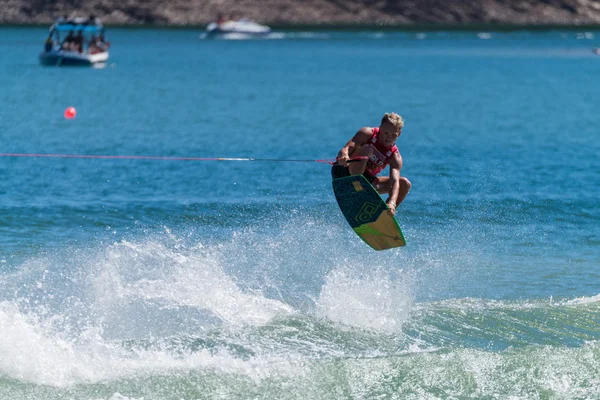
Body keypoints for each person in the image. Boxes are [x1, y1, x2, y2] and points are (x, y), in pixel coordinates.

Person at [332, 112, 411, 216]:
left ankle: (385, 214)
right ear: (381, 128)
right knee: (368, 149)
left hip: (365, 182)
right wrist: (344, 155)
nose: (388, 138)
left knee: (404, 184)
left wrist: (392, 202)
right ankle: (356, 186)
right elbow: (346, 149)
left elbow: (394, 181)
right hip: (344, 171)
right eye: (386, 133)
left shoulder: (395, 156)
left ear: (399, 134)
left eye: (393, 135)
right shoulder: (367, 133)